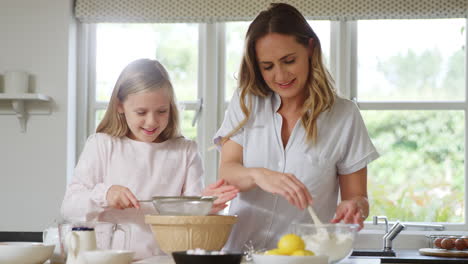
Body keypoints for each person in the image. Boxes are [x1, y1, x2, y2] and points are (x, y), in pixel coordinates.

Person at [214, 3, 379, 251]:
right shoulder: (246, 102)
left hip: (306, 256)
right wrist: (259, 175)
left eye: (289, 60)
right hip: (241, 254)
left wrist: (356, 207)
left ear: (310, 48)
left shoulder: (344, 116)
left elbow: (357, 197)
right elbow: (228, 171)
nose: (280, 75)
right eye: (267, 66)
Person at [61, 59, 238, 259]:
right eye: (141, 112)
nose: (152, 121)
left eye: (162, 111)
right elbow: (69, 207)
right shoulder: (102, 144)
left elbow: (191, 224)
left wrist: (204, 206)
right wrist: (106, 195)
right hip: (108, 259)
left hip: (163, 259)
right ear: (120, 105)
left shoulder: (185, 151)